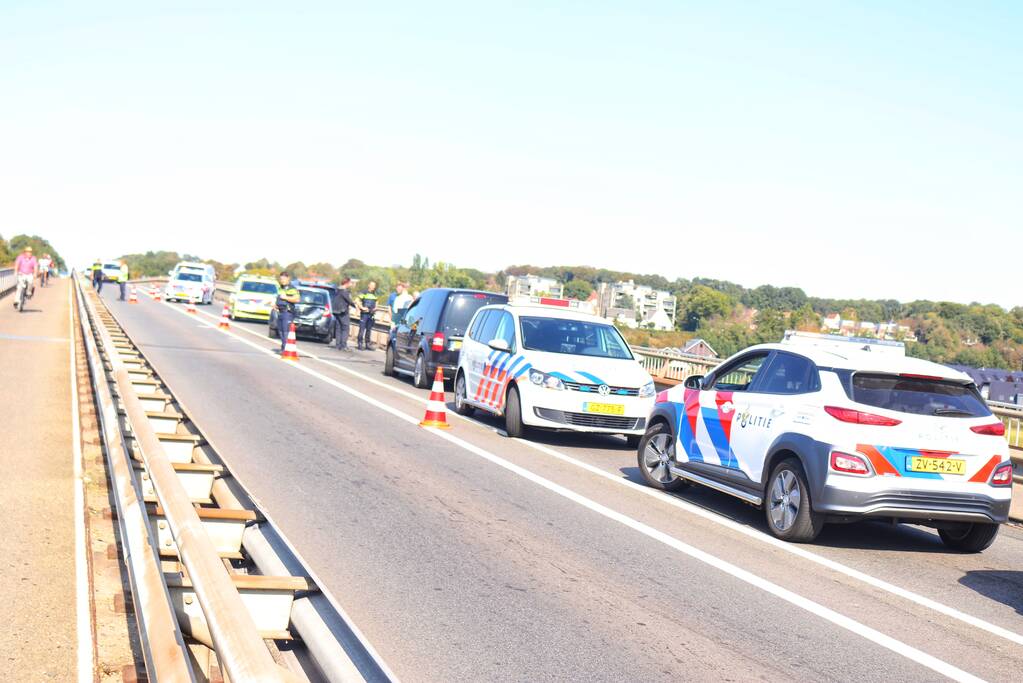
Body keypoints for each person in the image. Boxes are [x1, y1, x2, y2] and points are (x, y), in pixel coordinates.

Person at [274, 271, 301, 354]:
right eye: (281, 279)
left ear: (288, 278)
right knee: (281, 332)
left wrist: (286, 297)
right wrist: (276, 305)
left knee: (286, 332)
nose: (282, 280)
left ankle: (286, 349)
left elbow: (297, 299)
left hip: (287, 312)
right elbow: (279, 298)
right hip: (280, 312)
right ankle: (283, 348)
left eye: (284, 279)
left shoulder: (291, 288)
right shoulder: (280, 288)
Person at [331, 277, 354, 351]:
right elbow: (349, 301)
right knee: (345, 328)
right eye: (350, 283)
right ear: (346, 283)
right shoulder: (344, 291)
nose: (351, 284)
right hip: (342, 311)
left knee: (338, 328)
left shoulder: (337, 290)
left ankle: (338, 345)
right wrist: (355, 305)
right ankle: (343, 345)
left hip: (336, 311)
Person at [356, 280, 379, 350]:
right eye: (372, 285)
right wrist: (362, 307)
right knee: (362, 329)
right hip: (364, 314)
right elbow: (357, 300)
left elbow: (377, 301)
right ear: (369, 285)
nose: (373, 287)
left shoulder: (375, 294)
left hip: (371, 314)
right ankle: (360, 343)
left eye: (374, 286)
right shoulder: (364, 292)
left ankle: (367, 344)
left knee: (369, 329)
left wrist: (376, 308)